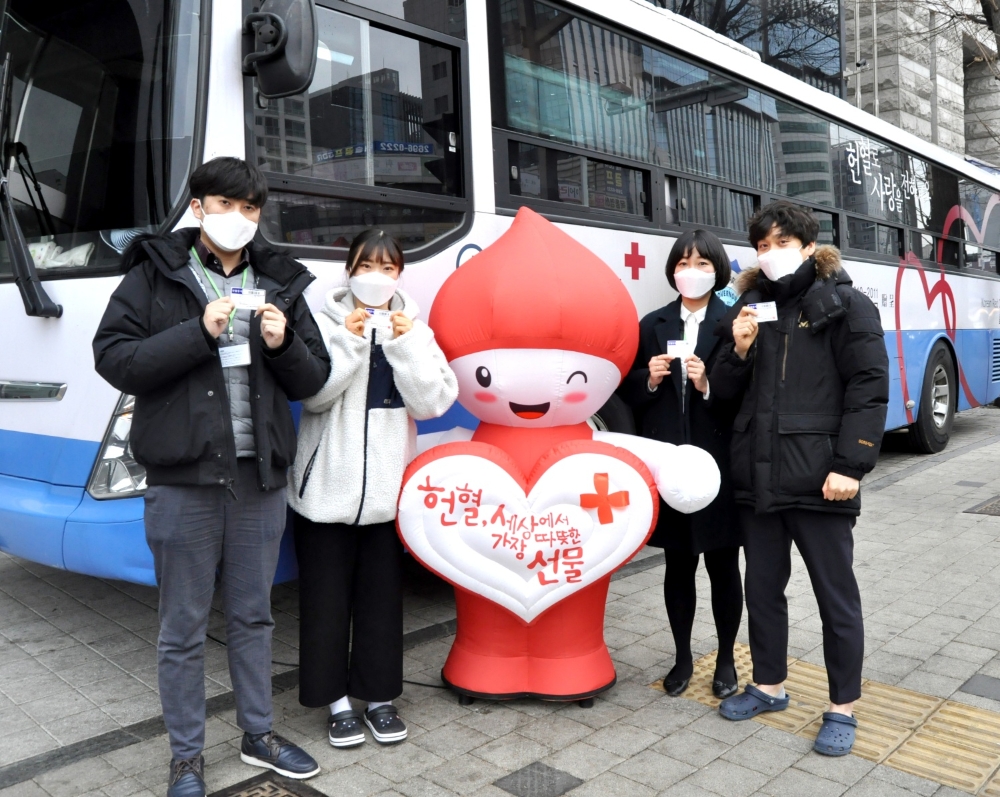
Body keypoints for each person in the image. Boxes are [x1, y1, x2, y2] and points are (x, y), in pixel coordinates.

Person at [93, 157, 331, 797]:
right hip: (183, 481)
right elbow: (114, 360)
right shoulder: (155, 276)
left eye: (251, 209)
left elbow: (314, 382)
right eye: (227, 205)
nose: (240, 219)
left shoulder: (281, 281)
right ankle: (187, 756)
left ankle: (258, 734)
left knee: (255, 617)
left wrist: (284, 345)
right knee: (182, 629)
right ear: (198, 208)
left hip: (259, 481)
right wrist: (197, 331)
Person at [710, 201, 889, 757]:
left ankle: (842, 707)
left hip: (821, 482)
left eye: (781, 243)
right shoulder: (748, 305)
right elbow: (721, 393)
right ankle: (768, 686)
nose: (771, 254)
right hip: (758, 480)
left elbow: (869, 386)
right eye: (762, 246)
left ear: (810, 248)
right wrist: (738, 351)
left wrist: (850, 465)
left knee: (836, 597)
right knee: (761, 590)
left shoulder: (845, 304)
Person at [288, 229, 458, 750]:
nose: (376, 277)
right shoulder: (322, 322)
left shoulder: (418, 331)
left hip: (388, 495)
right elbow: (313, 396)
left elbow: (432, 404)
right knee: (324, 602)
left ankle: (380, 700)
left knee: (383, 603)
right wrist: (350, 340)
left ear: (400, 275)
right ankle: (336, 704)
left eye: (388, 268)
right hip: (323, 493)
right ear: (349, 270)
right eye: (366, 265)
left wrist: (403, 343)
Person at [618, 229, 743, 700]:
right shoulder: (653, 323)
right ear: (672, 270)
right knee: (677, 564)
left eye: (703, 264)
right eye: (684, 263)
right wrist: (645, 381)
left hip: (720, 465)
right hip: (669, 467)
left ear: (718, 271)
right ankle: (683, 656)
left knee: (724, 566)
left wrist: (710, 382)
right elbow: (625, 390)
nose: (692, 272)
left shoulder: (735, 323)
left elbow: (748, 392)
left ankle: (728, 657)